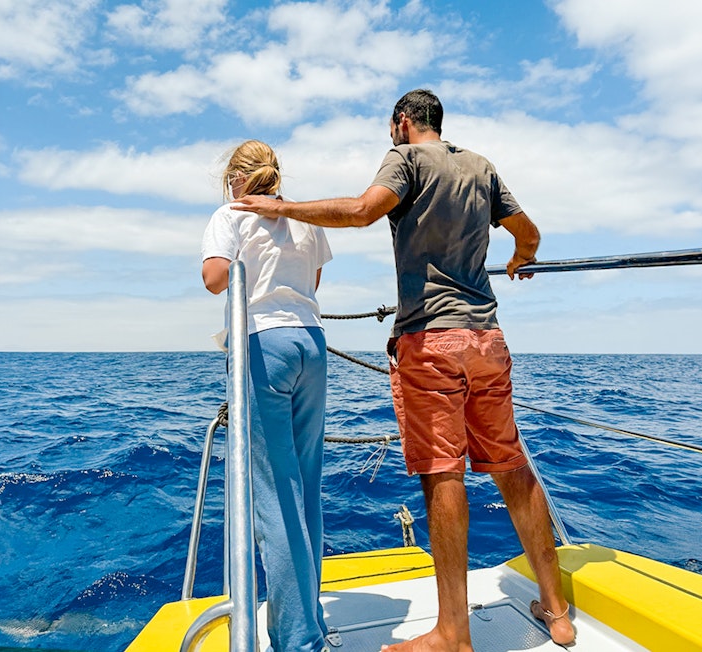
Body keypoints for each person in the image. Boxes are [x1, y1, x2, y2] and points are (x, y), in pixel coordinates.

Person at [232, 91, 575, 650]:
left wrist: (284, 207)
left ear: (403, 121)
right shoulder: (480, 166)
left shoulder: (408, 160)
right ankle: (557, 612)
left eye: (391, 126)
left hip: (432, 340)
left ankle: (453, 634)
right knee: (512, 465)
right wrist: (520, 260)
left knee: (444, 475)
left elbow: (364, 210)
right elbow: (528, 235)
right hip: (487, 337)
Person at [201, 140, 333, 652]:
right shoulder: (304, 219)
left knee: (275, 498)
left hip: (263, 345)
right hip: (311, 343)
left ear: (236, 177)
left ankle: (299, 641)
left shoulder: (229, 215)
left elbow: (215, 279)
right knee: (307, 485)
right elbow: (314, 279)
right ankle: (310, 617)